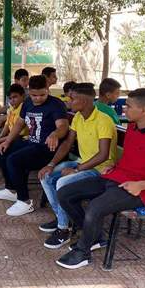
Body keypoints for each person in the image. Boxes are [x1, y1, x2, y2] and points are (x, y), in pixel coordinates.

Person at [55, 88, 145, 269]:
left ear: (144, 110)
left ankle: (83, 253)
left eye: (128, 106)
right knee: (65, 193)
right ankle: (94, 236)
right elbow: (134, 157)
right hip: (114, 177)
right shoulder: (132, 128)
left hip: (136, 190)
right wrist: (115, 166)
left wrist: (141, 185)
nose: (124, 109)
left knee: (94, 207)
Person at [37, 83, 117, 249]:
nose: (68, 101)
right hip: (83, 163)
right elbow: (67, 143)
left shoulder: (103, 121)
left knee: (62, 182)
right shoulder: (79, 117)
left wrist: (76, 170)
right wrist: (51, 164)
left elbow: (103, 155)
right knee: (46, 176)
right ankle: (63, 219)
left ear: (84, 101)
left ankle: (63, 229)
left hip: (100, 170)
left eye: (72, 99)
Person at [0, 75, 69, 216]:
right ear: (29, 91)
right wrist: (7, 141)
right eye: (34, 95)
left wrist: (55, 134)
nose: (38, 98)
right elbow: (19, 123)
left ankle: (25, 201)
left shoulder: (56, 104)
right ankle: (11, 190)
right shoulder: (27, 103)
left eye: (42, 95)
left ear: (47, 90)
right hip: (31, 143)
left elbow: (63, 126)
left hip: (47, 148)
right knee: (2, 150)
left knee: (14, 160)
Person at [0, 84, 28, 175]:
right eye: (10, 98)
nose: (12, 100)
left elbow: (17, 134)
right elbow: (7, 124)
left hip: (22, 138)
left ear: (23, 96)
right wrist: (0, 137)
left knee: (1, 148)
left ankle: (8, 171)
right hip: (11, 136)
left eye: (15, 97)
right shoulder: (12, 108)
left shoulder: (23, 109)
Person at [0, 69, 29, 140]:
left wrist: (3, 118)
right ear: (16, 81)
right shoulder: (11, 91)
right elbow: (8, 107)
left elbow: (20, 113)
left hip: (15, 120)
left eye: (27, 80)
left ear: (22, 96)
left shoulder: (29, 94)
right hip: (9, 116)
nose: (27, 83)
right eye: (24, 80)